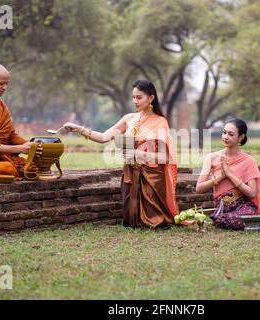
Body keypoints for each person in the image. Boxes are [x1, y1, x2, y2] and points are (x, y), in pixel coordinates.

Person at [62, 79, 178, 228]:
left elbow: (164, 157)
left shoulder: (160, 122)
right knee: (131, 220)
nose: (135, 101)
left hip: (152, 177)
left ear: (151, 98)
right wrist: (78, 128)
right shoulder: (129, 119)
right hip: (130, 173)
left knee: (152, 221)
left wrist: (137, 153)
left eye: (139, 97)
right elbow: (104, 137)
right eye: (133, 97)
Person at [196, 118, 260, 230]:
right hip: (223, 207)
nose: (225, 137)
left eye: (230, 134)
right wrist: (220, 177)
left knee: (238, 219)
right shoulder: (211, 158)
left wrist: (230, 175)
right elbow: (199, 188)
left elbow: (252, 193)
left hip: (243, 205)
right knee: (221, 220)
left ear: (241, 137)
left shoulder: (248, 161)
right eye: (224, 132)